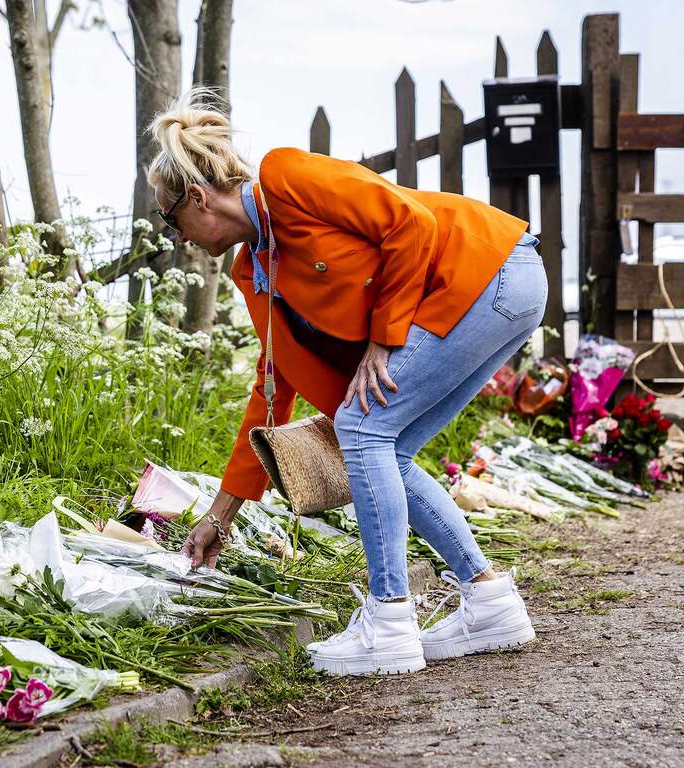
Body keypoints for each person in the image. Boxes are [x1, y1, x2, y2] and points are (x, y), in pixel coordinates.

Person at [145, 88, 544, 676]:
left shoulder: (287, 177)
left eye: (169, 217)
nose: (175, 236)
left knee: (362, 429)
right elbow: (271, 385)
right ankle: (489, 602)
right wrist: (220, 513)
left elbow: (411, 223)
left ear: (199, 199)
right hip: (489, 291)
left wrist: (384, 338)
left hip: (490, 271)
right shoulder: (253, 269)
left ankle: (389, 622)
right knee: (384, 446)